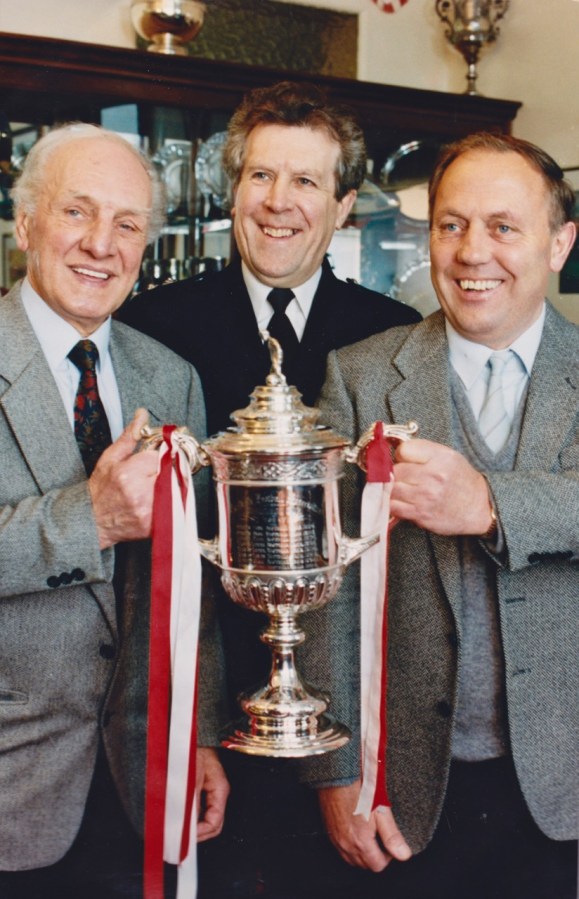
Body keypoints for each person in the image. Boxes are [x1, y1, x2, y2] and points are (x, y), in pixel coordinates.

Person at [119, 80, 421, 897]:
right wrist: (190, 728)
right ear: (232, 187)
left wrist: (344, 762)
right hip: (198, 725)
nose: (278, 203)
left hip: (349, 737)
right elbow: (145, 559)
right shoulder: (151, 328)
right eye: (261, 176)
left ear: (344, 203)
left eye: (306, 181)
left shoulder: (392, 339)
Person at [298, 132, 578, 899]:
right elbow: (325, 589)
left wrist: (485, 503)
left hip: (566, 793)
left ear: (559, 243)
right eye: (449, 225)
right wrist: (336, 771)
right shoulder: (358, 377)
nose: (469, 251)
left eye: (502, 226)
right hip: (403, 791)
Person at [0, 123, 229, 899]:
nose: (102, 244)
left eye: (127, 224)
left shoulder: (172, 378)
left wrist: (195, 734)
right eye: (77, 212)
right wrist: (87, 518)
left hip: (142, 787)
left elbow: (191, 582)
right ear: (26, 221)